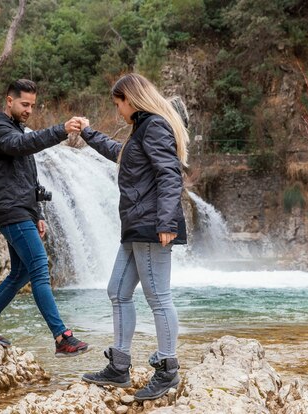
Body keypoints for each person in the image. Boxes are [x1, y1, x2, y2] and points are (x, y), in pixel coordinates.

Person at [79, 73, 189, 400]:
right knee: (117, 290)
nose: (118, 112)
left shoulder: (154, 126)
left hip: (152, 225)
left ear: (131, 99)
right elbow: (119, 152)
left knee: (158, 296)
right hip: (136, 226)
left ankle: (168, 370)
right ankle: (119, 366)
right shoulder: (142, 129)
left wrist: (167, 222)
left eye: (118, 104)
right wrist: (87, 133)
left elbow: (170, 174)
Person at [0, 79, 89, 358]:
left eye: (32, 105)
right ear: (9, 100)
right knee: (39, 266)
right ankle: (61, 337)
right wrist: (60, 130)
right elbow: (20, 145)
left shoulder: (17, 128)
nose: (29, 110)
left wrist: (39, 213)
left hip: (22, 210)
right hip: (10, 210)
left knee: (21, 272)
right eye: (24, 104)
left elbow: (29, 178)